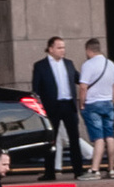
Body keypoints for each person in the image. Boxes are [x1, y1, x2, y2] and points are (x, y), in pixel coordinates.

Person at [31, 35, 82, 175]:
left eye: (63, 47)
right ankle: (49, 172)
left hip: (69, 105)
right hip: (52, 107)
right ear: (51, 49)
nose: (62, 50)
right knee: (51, 140)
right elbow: (36, 89)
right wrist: (40, 108)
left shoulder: (69, 64)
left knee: (74, 139)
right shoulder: (40, 66)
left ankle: (78, 170)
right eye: (59, 48)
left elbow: (79, 79)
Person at [79, 37, 114, 178]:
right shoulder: (111, 65)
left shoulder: (88, 65)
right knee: (110, 136)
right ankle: (111, 169)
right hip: (108, 103)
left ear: (88, 50)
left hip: (93, 104)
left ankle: (95, 169)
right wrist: (111, 102)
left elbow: (83, 87)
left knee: (98, 138)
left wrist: (82, 103)